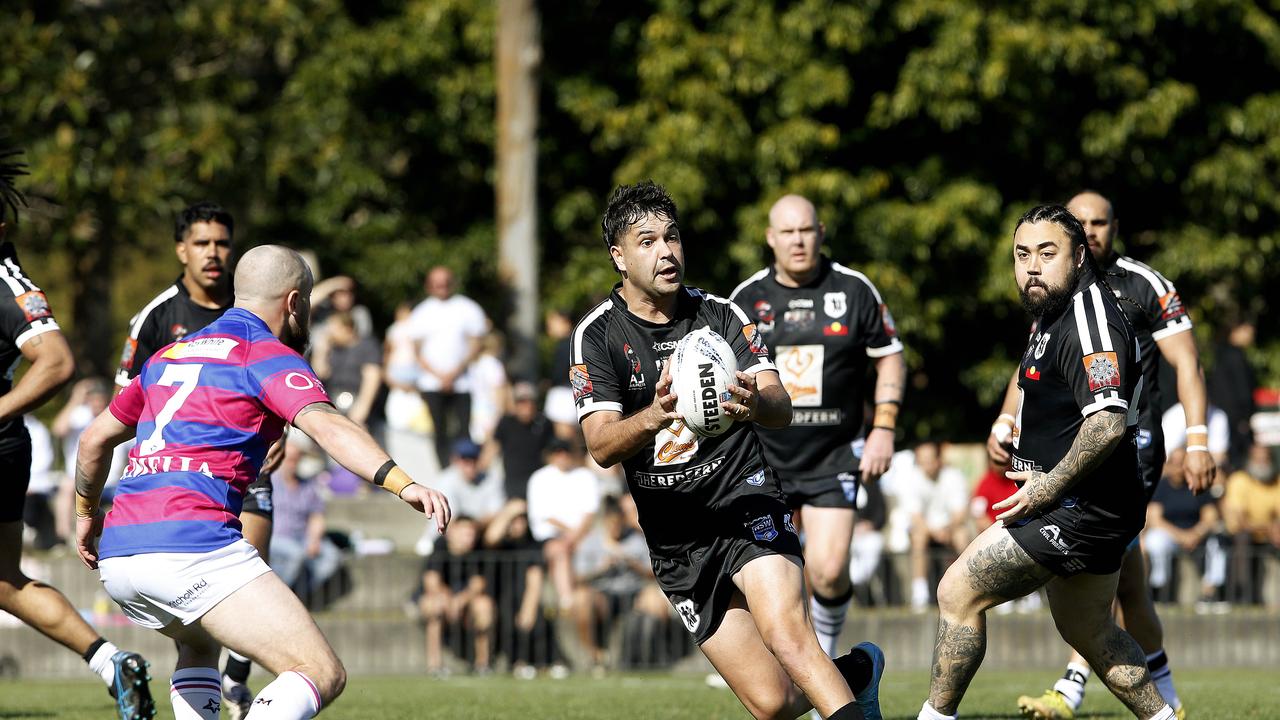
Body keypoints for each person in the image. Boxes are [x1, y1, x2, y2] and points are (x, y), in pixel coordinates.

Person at [75, 245, 451, 720]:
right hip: (189, 545)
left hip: (121, 552)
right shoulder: (265, 353)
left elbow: (92, 441)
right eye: (309, 303)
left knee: (197, 645)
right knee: (318, 670)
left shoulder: (168, 355)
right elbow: (328, 425)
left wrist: (85, 515)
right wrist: (403, 483)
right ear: (295, 303)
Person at [573, 181, 882, 720]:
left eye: (672, 238)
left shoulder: (721, 314)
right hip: (677, 535)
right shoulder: (596, 336)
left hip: (745, 497)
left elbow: (780, 404)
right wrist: (656, 414)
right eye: (647, 242)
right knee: (773, 703)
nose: (666, 252)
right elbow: (600, 445)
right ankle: (855, 672)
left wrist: (752, 404)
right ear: (618, 256)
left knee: (788, 635)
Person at [917, 205, 1177, 720]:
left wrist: (1044, 488)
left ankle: (934, 717)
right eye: (1022, 254)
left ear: (1079, 256)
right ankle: (1163, 717)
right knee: (1091, 629)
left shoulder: (1090, 320)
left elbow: (1106, 423)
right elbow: (1032, 380)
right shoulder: (1053, 309)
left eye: (1047, 252)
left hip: (1078, 507)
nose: (1032, 266)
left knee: (957, 591)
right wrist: (1005, 426)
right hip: (1089, 505)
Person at [994, 193, 1207, 720]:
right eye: (1079, 222)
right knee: (1126, 582)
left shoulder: (1145, 285)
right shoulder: (1053, 284)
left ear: (1115, 226)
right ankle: (1164, 701)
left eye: (1099, 222)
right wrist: (1006, 421)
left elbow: (1187, 363)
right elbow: (1031, 365)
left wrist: (1198, 438)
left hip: (1129, 447)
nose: (1089, 231)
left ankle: (1072, 688)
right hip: (1068, 446)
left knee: (1096, 566)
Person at [0, 142, 157, 720]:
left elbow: (58, 363)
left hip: (1, 442)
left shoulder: (6, 281)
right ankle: (111, 663)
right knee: (5, 582)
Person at [113, 201, 275, 716]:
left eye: (222, 243)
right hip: (182, 476)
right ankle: (217, 680)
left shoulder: (252, 309)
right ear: (182, 249)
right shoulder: (159, 315)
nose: (213, 253)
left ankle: (237, 676)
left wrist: (284, 431)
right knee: (200, 622)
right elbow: (124, 409)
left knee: (254, 565)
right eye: (202, 243)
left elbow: (285, 378)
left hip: (248, 467)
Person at [730, 194, 905, 657]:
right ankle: (770, 662)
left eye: (806, 230)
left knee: (827, 570)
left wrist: (883, 427)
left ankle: (824, 656)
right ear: (771, 239)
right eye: (787, 232)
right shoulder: (745, 299)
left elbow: (890, 357)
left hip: (834, 453)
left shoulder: (853, 290)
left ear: (821, 232)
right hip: (764, 457)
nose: (798, 241)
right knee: (767, 574)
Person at [571, 494, 670, 672]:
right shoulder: (591, 541)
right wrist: (602, 568)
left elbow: (653, 573)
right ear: (605, 522)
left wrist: (634, 565)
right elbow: (578, 578)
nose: (615, 528)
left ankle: (651, 656)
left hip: (633, 591)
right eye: (611, 524)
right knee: (581, 599)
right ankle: (594, 655)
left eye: (618, 523)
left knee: (657, 603)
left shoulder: (636, 539)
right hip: (603, 594)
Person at [407, 266, 489, 469]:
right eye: (437, 283)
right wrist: (439, 375)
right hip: (432, 382)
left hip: (462, 381)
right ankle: (444, 469)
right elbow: (417, 350)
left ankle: (467, 467)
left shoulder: (468, 308)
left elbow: (476, 344)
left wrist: (454, 372)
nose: (441, 287)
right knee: (439, 429)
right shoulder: (421, 312)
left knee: (464, 428)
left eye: (444, 282)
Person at [525, 437, 601, 612]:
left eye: (565, 452)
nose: (562, 456)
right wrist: (570, 535)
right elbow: (543, 516)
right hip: (551, 538)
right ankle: (567, 600)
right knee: (559, 551)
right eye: (558, 452)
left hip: (583, 536)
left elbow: (590, 512)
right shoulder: (539, 478)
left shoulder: (586, 476)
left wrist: (575, 536)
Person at [1143, 449, 1226, 605]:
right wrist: (1181, 536)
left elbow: (1210, 517)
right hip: (1170, 536)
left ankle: (1212, 593)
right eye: (1174, 463)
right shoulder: (1162, 486)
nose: (1178, 467)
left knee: (1218, 544)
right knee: (1155, 541)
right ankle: (1159, 590)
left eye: (1182, 463)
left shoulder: (1198, 484)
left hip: (1197, 536)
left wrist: (1195, 534)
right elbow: (1154, 519)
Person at [897, 441, 971, 611]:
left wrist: (948, 529)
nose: (926, 465)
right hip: (926, 530)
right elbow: (915, 517)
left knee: (962, 535)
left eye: (929, 459)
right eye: (922, 460)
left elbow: (960, 513)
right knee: (918, 535)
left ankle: (969, 585)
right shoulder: (911, 479)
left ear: (938, 459)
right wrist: (934, 531)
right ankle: (920, 593)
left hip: (950, 529)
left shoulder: (954, 476)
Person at [268, 437, 344, 602]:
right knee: (295, 554)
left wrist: (314, 540)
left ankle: (299, 595)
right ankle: (278, 599)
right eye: (289, 457)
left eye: (296, 458)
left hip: (301, 537)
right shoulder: (269, 481)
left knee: (331, 556)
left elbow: (317, 516)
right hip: (276, 536)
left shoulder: (308, 486)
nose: (292, 462)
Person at [418, 516, 495, 676]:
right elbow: (431, 581)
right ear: (452, 533)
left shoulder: (477, 549)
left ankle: (482, 664)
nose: (470, 538)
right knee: (434, 605)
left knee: (484, 605)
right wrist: (449, 600)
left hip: (466, 602)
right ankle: (435, 666)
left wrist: (460, 601)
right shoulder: (440, 546)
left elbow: (478, 584)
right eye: (465, 533)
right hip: (442, 599)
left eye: (471, 534)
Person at [1222, 444, 1280, 604]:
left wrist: (1275, 529)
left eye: (1265, 459)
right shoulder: (1239, 480)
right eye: (1258, 459)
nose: (1262, 462)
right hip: (1242, 534)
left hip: (1268, 536)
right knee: (1244, 540)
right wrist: (1268, 528)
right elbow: (1240, 521)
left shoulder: (1276, 481)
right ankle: (1244, 595)